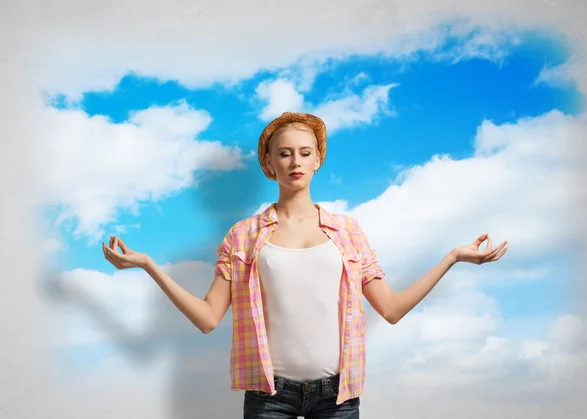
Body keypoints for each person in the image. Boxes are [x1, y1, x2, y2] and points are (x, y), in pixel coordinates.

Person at [102, 112, 508, 418]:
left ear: (317, 160)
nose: (295, 161)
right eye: (284, 153)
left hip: (337, 396)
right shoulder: (243, 236)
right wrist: (149, 265)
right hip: (268, 397)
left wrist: (452, 258)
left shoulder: (348, 232)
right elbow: (208, 318)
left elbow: (392, 309)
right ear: (270, 164)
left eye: (304, 152)